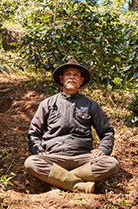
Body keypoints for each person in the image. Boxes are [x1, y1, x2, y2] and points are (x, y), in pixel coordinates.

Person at [25, 59, 119, 193]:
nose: (72, 77)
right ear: (61, 79)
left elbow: (107, 132)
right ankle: (79, 185)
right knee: (31, 163)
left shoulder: (91, 105)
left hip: (83, 158)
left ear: (81, 81)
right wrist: (39, 150)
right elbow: (34, 133)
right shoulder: (48, 104)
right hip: (54, 156)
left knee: (111, 164)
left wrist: (103, 149)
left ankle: (60, 181)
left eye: (76, 75)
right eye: (68, 74)